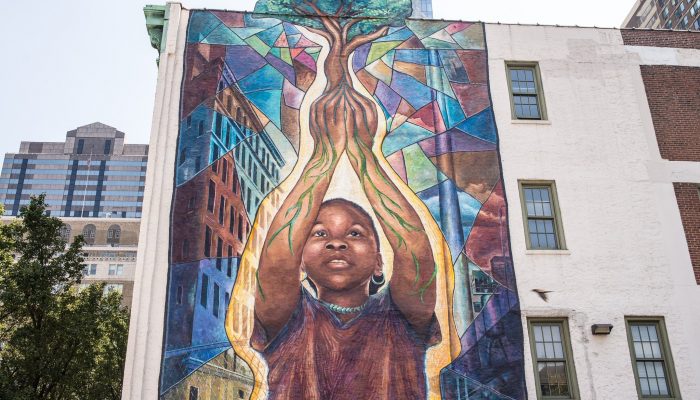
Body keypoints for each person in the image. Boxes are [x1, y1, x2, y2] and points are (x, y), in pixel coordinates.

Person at [252, 90, 440, 399]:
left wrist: (364, 155)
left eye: (354, 234)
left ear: (379, 261)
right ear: (300, 260)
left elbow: (416, 253)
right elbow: (275, 263)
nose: (336, 243)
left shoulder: (401, 317)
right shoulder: (289, 319)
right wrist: (323, 158)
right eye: (319, 234)